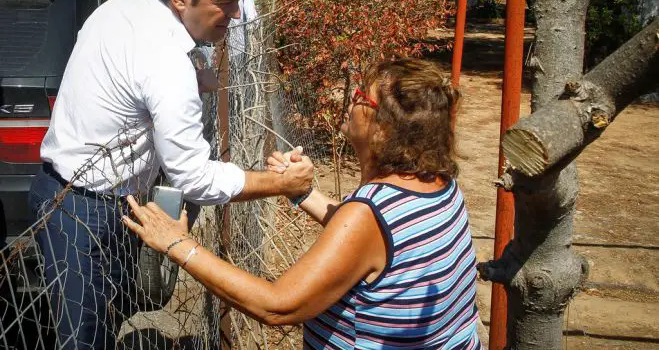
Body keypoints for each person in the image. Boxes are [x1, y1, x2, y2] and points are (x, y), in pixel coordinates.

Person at [27, 0, 313, 350]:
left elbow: (126, 77)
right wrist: (284, 185)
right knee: (83, 338)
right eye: (226, 3)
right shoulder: (165, 62)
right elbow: (194, 179)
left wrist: (192, 74)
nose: (235, 16)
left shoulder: (119, 8)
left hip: (69, 194)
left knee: (105, 318)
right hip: (85, 212)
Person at [124, 58, 482, 349]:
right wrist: (302, 193)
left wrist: (177, 244)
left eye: (363, 97)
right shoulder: (439, 184)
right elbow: (378, 244)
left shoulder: (370, 213)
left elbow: (278, 305)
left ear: (385, 130)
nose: (353, 98)